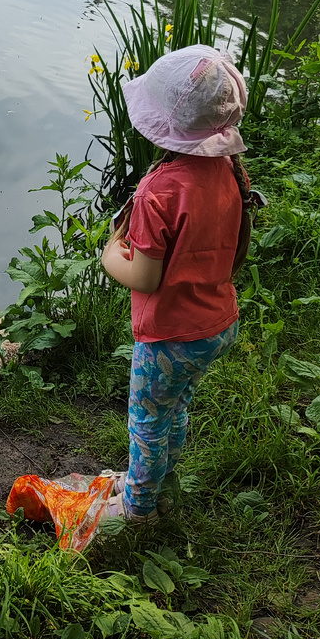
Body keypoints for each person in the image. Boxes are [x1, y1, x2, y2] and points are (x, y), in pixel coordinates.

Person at [100, 43, 254, 524]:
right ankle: (165, 483)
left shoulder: (158, 191)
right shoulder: (229, 169)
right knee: (175, 404)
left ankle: (138, 511)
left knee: (146, 420)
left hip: (170, 334)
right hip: (214, 324)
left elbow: (144, 276)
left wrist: (109, 254)